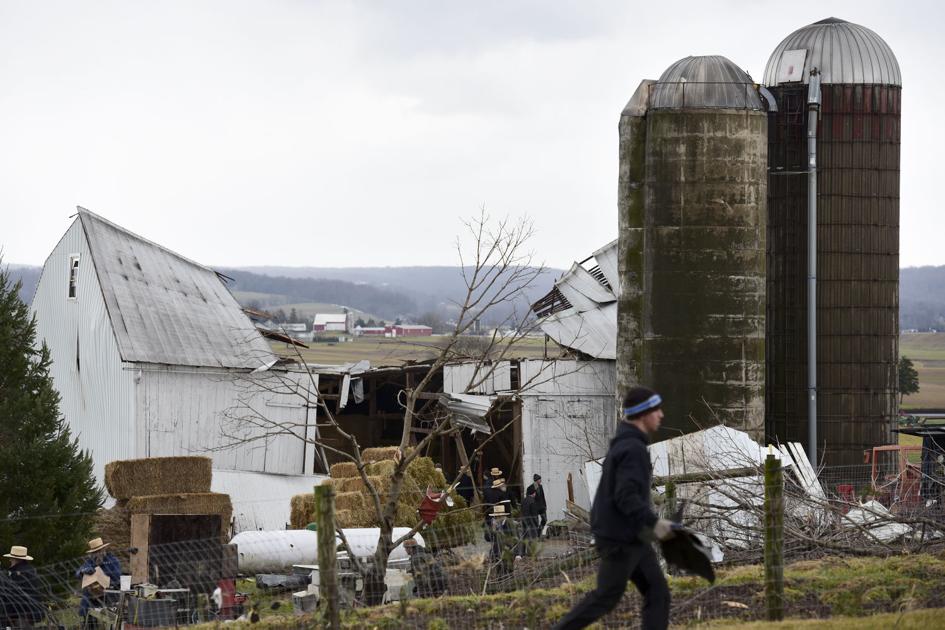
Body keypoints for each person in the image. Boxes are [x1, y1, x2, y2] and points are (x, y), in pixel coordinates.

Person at [553, 387, 676, 630]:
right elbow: (626, 497)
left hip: (630, 536)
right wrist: (656, 524)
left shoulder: (627, 444)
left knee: (657, 592)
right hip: (620, 538)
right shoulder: (632, 449)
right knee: (606, 597)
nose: (661, 414)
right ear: (643, 414)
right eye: (656, 409)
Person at [76, 537, 122, 621]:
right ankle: (89, 623)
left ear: (103, 550)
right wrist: (83, 571)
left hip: (108, 594)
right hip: (91, 596)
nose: (97, 554)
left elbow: (117, 577)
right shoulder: (90, 561)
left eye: (99, 551)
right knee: (88, 615)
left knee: (109, 617)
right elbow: (78, 573)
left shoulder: (112, 560)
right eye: (94, 552)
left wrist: (102, 575)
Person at [2, 545, 44, 628]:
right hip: (30, 611)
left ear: (15, 559)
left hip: (20, 614)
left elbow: (13, 595)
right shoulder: (30, 570)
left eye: (11, 558)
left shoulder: (17, 574)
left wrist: (6, 614)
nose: (10, 560)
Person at [487, 504, 517, 581]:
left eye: (497, 517)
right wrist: (493, 530)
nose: (496, 518)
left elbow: (515, 538)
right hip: (497, 551)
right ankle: (500, 581)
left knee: (508, 570)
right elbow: (488, 538)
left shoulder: (510, 523)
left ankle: (510, 582)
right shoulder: (494, 524)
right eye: (495, 517)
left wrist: (508, 546)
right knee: (499, 571)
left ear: (502, 516)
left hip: (508, 550)